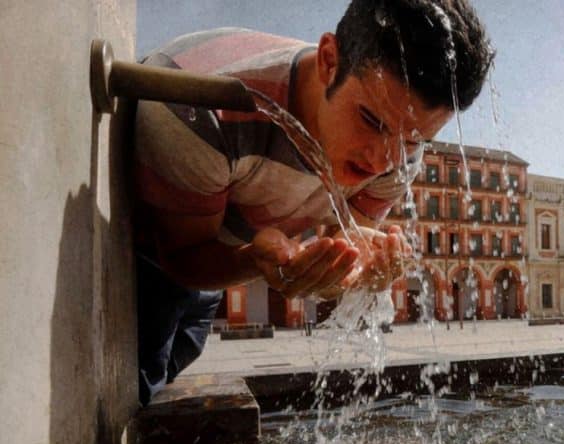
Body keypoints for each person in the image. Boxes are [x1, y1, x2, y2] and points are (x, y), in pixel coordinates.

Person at [133, 0, 493, 405]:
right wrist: (255, 261)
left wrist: (357, 268)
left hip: (217, 247)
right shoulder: (200, 108)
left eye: (413, 140)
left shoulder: (399, 157)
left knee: (177, 360)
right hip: (141, 256)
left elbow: (346, 238)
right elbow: (182, 256)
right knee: (137, 385)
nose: (382, 160)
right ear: (328, 61)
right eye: (372, 122)